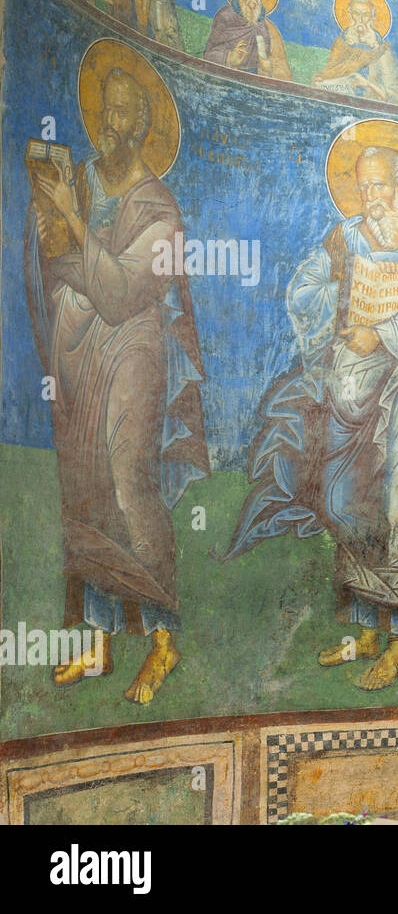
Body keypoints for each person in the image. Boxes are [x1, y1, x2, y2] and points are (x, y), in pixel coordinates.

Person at [221, 142, 398, 691]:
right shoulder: (350, 237)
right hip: (357, 379)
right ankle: (362, 629)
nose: (369, 199)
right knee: (344, 497)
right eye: (362, 188)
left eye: (378, 187)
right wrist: (331, 296)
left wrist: (380, 333)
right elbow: (306, 287)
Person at [25, 60, 208, 704]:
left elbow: (129, 290)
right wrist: (46, 215)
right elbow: (51, 266)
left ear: (145, 125)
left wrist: (75, 226)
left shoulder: (159, 206)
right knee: (88, 488)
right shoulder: (78, 182)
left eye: (125, 110)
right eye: (104, 107)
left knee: (129, 482)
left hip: (134, 353)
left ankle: (163, 638)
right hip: (80, 355)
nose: (110, 121)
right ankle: (98, 641)